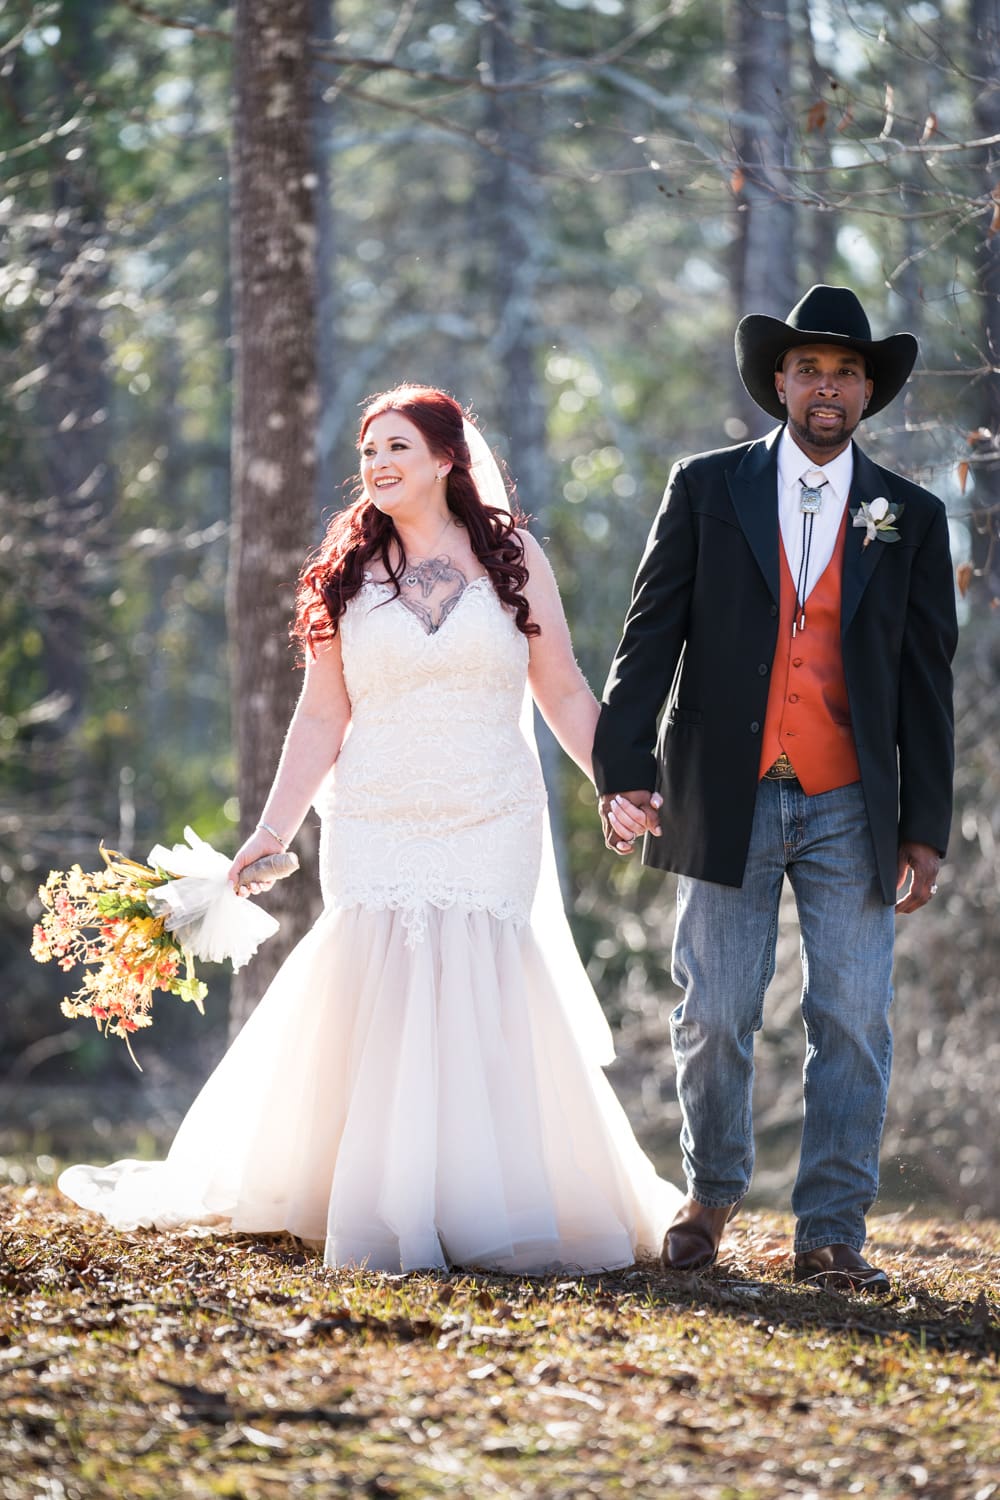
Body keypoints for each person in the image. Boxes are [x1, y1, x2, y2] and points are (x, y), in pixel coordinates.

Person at [59, 384, 682, 1274]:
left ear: (445, 459)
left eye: (397, 447)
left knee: (485, 984)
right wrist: (272, 829)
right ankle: (368, 1197)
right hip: (378, 813)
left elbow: (564, 689)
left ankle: (492, 1200)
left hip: (491, 811)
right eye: (368, 451)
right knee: (382, 983)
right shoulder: (346, 569)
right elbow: (320, 717)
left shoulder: (511, 557)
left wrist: (617, 784)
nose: (378, 464)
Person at [594, 286, 957, 1293]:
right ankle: (711, 1196)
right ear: (780, 384)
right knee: (713, 1009)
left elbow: (929, 682)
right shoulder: (705, 488)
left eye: (845, 371)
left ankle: (832, 1230)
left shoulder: (910, 517)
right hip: (725, 788)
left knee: (851, 1016)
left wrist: (923, 826)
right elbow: (647, 636)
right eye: (809, 369)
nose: (826, 386)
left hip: (852, 799)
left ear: (867, 389)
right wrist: (622, 771)